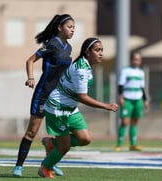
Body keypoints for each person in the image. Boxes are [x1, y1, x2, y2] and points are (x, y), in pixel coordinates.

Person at [38, 37, 118, 178]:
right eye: (97, 50)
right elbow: (83, 97)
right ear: (88, 52)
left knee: (85, 139)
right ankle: (45, 167)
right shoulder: (81, 69)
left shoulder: (86, 66)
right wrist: (106, 106)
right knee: (65, 147)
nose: (100, 53)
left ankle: (51, 143)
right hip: (58, 109)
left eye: (102, 50)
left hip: (70, 109)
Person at [12, 14, 75, 177]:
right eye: (70, 27)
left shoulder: (69, 48)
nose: (73, 30)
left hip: (59, 97)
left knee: (58, 134)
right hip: (43, 93)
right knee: (32, 131)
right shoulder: (52, 44)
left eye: (74, 27)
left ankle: (50, 165)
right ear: (60, 28)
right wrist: (30, 78)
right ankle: (18, 166)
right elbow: (30, 60)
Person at [114, 52, 149, 152]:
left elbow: (142, 87)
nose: (137, 61)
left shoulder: (141, 72)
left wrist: (145, 100)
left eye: (139, 60)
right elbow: (120, 84)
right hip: (127, 99)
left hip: (138, 99)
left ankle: (133, 144)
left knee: (135, 122)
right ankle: (119, 144)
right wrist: (120, 97)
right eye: (135, 59)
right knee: (125, 122)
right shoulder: (125, 71)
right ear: (131, 60)